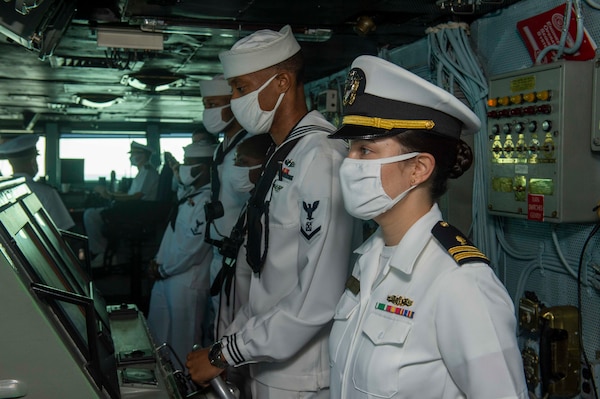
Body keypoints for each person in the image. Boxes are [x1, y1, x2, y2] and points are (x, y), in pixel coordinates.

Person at [327, 55, 528, 398]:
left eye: (365, 150)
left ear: (419, 169)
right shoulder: (370, 259)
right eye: (349, 149)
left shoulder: (460, 282)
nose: (349, 164)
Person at [186, 25, 354, 399]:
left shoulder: (320, 158)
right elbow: (268, 279)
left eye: (241, 88)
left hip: (299, 376)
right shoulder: (285, 154)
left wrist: (227, 351)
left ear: (281, 82)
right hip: (262, 361)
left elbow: (318, 296)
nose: (233, 100)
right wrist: (230, 346)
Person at [211, 133, 272, 399]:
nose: (236, 168)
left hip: (253, 337)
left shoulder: (270, 210)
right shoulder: (252, 204)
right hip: (237, 329)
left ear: (264, 164)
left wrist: (228, 349)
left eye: (243, 161)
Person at [146, 141, 216, 367]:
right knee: (158, 335)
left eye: (189, 163)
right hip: (165, 275)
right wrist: (158, 263)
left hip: (186, 281)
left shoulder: (207, 201)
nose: (183, 168)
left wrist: (164, 269)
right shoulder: (189, 194)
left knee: (184, 344)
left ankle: (186, 388)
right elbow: (173, 236)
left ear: (203, 169)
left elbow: (192, 249)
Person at [199, 75, 249, 346]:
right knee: (218, 321)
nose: (209, 112)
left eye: (214, 104)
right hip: (220, 249)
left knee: (235, 326)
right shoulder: (223, 147)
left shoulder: (252, 145)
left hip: (241, 253)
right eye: (205, 105)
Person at [83, 141, 159, 268]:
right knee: (93, 213)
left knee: (90, 215)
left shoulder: (148, 172)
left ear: (144, 155)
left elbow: (137, 196)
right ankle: (103, 253)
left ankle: (101, 252)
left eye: (134, 154)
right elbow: (131, 195)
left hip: (140, 213)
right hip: (134, 210)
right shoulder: (142, 172)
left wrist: (112, 196)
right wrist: (112, 194)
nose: (131, 157)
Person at [0, 134, 75, 230]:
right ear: (33, 161)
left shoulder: (4, 191)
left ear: (11, 163)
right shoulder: (46, 193)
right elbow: (65, 229)